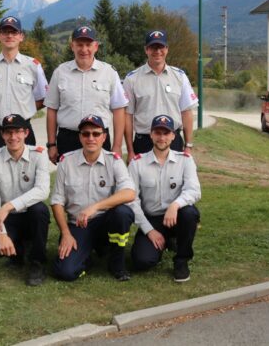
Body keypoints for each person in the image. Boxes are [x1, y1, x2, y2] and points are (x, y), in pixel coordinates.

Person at [50, 114, 136, 281]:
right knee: (66, 272)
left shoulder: (114, 161)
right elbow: (56, 202)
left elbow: (129, 193)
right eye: (86, 134)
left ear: (104, 137)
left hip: (106, 222)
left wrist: (95, 207)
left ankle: (117, 263)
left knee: (123, 213)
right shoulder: (66, 162)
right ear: (80, 137)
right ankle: (86, 258)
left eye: (96, 134)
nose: (91, 138)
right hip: (79, 225)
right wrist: (66, 233)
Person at [129, 114, 201, 282]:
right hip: (152, 219)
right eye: (158, 133)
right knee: (142, 261)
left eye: (166, 133)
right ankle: (163, 242)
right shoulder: (137, 163)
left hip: (177, 216)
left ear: (173, 136)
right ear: (151, 135)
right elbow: (132, 200)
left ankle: (181, 261)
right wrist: (149, 231)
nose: (162, 137)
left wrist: (175, 205)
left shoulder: (185, 160)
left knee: (189, 213)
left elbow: (194, 190)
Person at [0, 113, 51, 286]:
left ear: (26, 133)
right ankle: (18, 252)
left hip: (30, 214)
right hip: (10, 218)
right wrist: (2, 235)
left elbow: (42, 190)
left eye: (18, 132)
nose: (13, 137)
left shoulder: (39, 154)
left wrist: (7, 206)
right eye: (8, 132)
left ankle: (37, 262)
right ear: (2, 135)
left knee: (40, 210)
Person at [44, 25, 128, 164]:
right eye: (79, 45)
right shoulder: (60, 72)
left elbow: (119, 110)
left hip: (98, 138)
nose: (84, 50)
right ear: (72, 46)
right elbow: (52, 110)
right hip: (68, 139)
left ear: (96, 46)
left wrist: (117, 146)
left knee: (101, 183)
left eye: (88, 45)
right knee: (69, 183)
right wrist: (51, 144)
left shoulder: (109, 73)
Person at [0, 16, 49, 153]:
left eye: (14, 32)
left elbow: (44, 99)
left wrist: (25, 109)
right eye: (5, 32)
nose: (9, 35)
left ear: (21, 36)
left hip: (23, 132)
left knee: (25, 174)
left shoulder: (33, 65)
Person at [123, 29, 198, 162]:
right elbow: (127, 116)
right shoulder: (132, 79)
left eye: (160, 47)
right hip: (144, 142)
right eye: (153, 47)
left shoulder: (180, 76)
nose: (157, 51)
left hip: (173, 141)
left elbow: (187, 113)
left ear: (167, 49)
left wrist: (188, 146)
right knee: (143, 183)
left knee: (174, 182)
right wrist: (130, 150)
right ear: (146, 50)